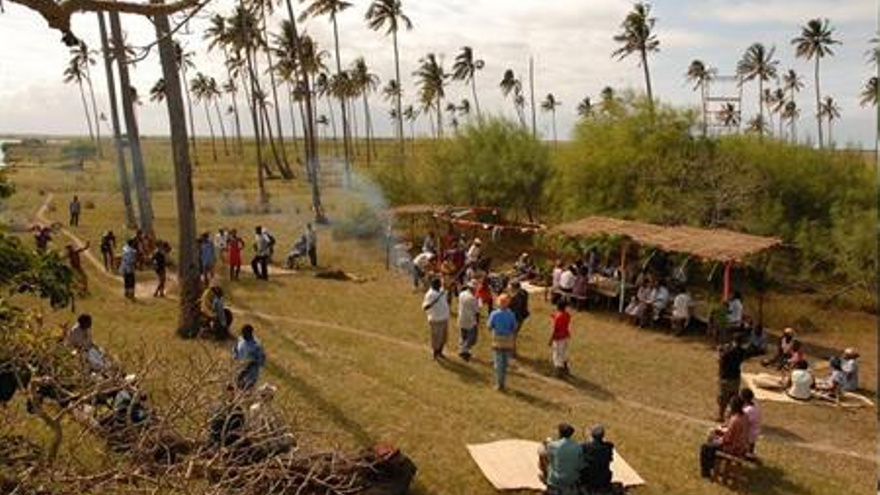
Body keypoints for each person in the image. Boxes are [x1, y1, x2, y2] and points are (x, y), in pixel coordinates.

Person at [700, 395, 751, 478]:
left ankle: (706, 472)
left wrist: (716, 439)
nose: (729, 407)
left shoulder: (735, 420)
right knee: (711, 443)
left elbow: (727, 439)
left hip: (733, 448)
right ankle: (711, 465)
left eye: (730, 405)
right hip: (743, 446)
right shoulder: (744, 416)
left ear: (734, 407)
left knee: (705, 447)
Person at [541, 423, 583, 495]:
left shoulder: (552, 445)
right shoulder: (578, 446)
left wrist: (547, 443)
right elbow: (580, 465)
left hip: (554, 481)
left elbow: (548, 458)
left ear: (560, 433)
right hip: (571, 481)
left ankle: (545, 478)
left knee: (542, 454)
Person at [488, 294, 517, 392]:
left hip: (498, 339)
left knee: (498, 362)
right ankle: (502, 382)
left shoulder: (494, 314)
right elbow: (514, 327)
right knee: (505, 363)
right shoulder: (511, 314)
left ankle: (499, 384)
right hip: (508, 339)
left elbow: (489, 326)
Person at [717, 334, 747, 421]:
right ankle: (731, 417)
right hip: (736, 377)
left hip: (726, 377)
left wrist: (720, 351)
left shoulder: (728, 352)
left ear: (733, 340)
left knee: (723, 399)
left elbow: (720, 361)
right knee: (733, 398)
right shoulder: (742, 351)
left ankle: (721, 416)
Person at [581, 424, 615, 493]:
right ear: (603, 435)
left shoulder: (585, 446)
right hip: (604, 479)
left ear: (592, 435)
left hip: (589, 479)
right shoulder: (609, 446)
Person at [422, 278, 450, 360]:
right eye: (439, 284)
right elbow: (425, 307)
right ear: (435, 285)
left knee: (443, 337)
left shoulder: (441, 291)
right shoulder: (430, 294)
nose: (440, 286)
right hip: (436, 319)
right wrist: (432, 303)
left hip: (444, 318)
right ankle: (435, 354)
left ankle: (440, 352)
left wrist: (447, 288)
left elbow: (446, 291)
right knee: (436, 338)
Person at [233, 325, 266, 390]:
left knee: (245, 392)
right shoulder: (241, 339)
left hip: (250, 375)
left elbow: (261, 360)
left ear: (250, 333)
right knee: (235, 390)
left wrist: (247, 368)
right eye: (242, 333)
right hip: (239, 370)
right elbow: (235, 349)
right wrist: (235, 356)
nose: (243, 335)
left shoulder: (256, 345)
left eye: (244, 333)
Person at [457, 281, 480, 361]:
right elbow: (477, 312)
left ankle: (462, 350)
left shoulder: (461, 294)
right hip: (470, 320)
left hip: (461, 318)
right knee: (472, 338)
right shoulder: (473, 298)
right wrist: (477, 322)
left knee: (463, 336)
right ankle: (464, 351)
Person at [549, 301, 572, 377]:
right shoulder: (568, 315)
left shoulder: (557, 317)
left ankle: (558, 373)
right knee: (564, 353)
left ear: (557, 307)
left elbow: (554, 329)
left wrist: (550, 339)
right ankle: (565, 370)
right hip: (566, 336)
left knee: (557, 354)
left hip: (559, 338)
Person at [508, 281, 530, 353]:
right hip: (521, 317)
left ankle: (512, 351)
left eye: (511, 288)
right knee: (513, 335)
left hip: (516, 318)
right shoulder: (524, 293)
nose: (510, 289)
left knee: (512, 335)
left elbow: (512, 308)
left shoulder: (516, 298)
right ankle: (512, 350)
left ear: (515, 288)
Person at [740, 389, 761, 454]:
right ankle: (750, 452)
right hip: (756, 430)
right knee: (751, 443)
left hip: (749, 432)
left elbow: (744, 422)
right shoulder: (755, 404)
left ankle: (746, 452)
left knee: (748, 443)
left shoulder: (747, 410)